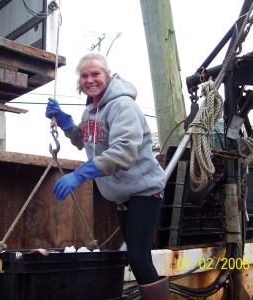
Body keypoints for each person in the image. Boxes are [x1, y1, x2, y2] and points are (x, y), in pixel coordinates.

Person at [45, 53, 169, 299]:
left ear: (108, 75)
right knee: (135, 257)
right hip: (121, 195)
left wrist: (81, 174)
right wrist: (65, 122)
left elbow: (123, 152)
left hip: (145, 190)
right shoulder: (90, 111)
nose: (90, 80)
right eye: (84, 76)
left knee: (138, 257)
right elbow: (84, 140)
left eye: (95, 74)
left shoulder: (123, 106)